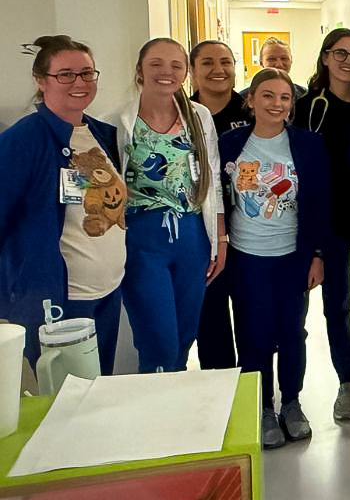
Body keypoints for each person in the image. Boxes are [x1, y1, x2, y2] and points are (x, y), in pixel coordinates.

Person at [0, 35, 124, 373]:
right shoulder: (21, 142)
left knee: (97, 388)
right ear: (41, 81)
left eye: (86, 73)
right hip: (60, 300)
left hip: (107, 291)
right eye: (65, 74)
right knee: (66, 398)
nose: (79, 82)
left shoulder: (102, 134)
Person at [220, 68, 330, 448]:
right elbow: (216, 200)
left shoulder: (308, 145)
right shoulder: (230, 143)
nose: (277, 104)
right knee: (253, 334)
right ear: (250, 100)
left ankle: (292, 403)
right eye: (267, 95)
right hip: (247, 257)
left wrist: (317, 255)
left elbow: (319, 206)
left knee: (291, 333)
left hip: (292, 257)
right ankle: (262, 406)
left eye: (284, 97)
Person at [117, 37, 225, 373]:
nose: (167, 72)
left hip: (193, 236)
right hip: (143, 240)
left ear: (185, 73)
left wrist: (220, 240)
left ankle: (172, 407)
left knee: (184, 336)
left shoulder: (199, 116)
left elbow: (214, 179)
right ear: (139, 71)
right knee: (157, 339)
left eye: (176, 65)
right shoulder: (118, 123)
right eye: (156, 64)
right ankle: (154, 415)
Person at [294, 28, 350, 422]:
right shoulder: (309, 106)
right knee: (336, 306)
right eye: (340, 53)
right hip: (331, 221)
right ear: (325, 58)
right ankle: (347, 384)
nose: (348, 61)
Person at [190, 40, 250, 370]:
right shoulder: (180, 116)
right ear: (193, 70)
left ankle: (256, 390)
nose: (218, 70)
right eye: (208, 63)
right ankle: (219, 386)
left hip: (248, 233)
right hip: (201, 234)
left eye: (225, 62)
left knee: (251, 317)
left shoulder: (252, 113)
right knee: (209, 317)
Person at [240, 37, 307, 100]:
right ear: (261, 62)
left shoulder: (304, 96)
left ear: (291, 61)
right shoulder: (243, 98)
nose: (279, 64)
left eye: (284, 58)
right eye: (271, 59)